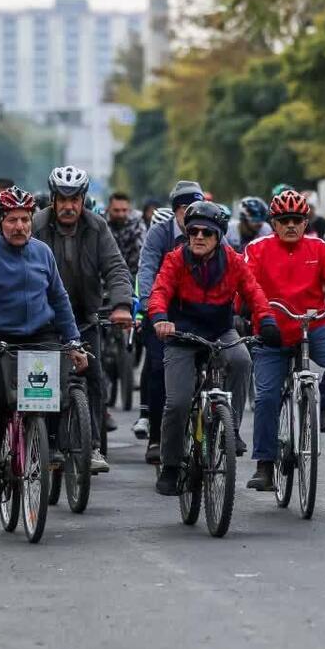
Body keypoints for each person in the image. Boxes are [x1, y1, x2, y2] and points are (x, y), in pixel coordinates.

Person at [0, 186, 88, 506]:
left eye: (25, 220)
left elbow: (59, 298)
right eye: (13, 220)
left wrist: (73, 341)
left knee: (52, 394)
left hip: (39, 335)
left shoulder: (43, 252)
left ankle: (48, 446)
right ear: (0, 220)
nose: (20, 226)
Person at [149, 200, 277, 495]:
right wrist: (159, 318)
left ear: (219, 236)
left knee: (242, 360)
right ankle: (170, 466)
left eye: (207, 232)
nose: (199, 237)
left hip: (220, 331)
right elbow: (160, 290)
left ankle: (230, 427)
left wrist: (266, 320)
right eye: (193, 230)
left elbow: (254, 291)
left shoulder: (232, 260)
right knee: (178, 402)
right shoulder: (176, 259)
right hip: (181, 335)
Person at [243, 190, 325, 490]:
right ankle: (265, 465)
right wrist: (248, 310)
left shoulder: (319, 248)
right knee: (267, 397)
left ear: (305, 221)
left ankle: (321, 405)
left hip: (314, 326)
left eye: (296, 220)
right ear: (273, 222)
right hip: (271, 330)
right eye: (283, 220)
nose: (290, 225)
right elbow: (245, 284)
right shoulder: (257, 249)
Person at [33, 167, 134, 473]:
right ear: (52, 199)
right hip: (43, 319)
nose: (68, 206)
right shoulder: (35, 225)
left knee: (94, 378)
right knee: (44, 384)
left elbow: (116, 268)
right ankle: (47, 444)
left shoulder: (97, 226)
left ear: (83, 200)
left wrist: (121, 306)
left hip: (86, 317)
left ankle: (92, 447)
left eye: (74, 199)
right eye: (62, 199)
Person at [134, 180, 204, 462]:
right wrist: (151, 308)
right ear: (176, 210)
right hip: (163, 311)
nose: (193, 218)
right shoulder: (159, 234)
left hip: (202, 311)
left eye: (196, 209)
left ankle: (222, 425)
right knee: (158, 367)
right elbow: (147, 269)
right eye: (187, 209)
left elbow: (233, 267)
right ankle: (156, 436)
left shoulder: (210, 229)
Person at [106, 191, 146, 277]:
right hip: (107, 274)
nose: (121, 214)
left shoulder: (137, 223)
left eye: (124, 210)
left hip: (132, 273)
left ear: (130, 209)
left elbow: (142, 251)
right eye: (116, 210)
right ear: (108, 208)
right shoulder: (101, 223)